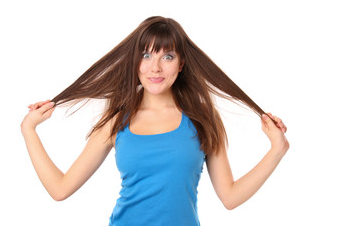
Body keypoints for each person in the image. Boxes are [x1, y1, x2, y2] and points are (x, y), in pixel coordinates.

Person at [21, 16, 289, 226]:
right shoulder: (115, 123)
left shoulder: (202, 119)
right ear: (135, 61)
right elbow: (60, 189)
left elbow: (230, 197)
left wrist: (277, 151)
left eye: (167, 57)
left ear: (181, 63)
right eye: (146, 55)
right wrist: (29, 129)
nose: (155, 67)